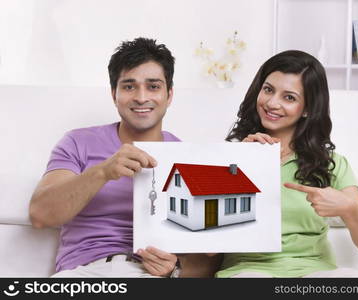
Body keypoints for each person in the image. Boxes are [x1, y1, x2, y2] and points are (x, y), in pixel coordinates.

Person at [29, 37, 220, 278]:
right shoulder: (77, 142)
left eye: (153, 86)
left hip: (149, 275)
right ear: (114, 94)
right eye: (129, 86)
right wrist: (103, 172)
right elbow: (41, 215)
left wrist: (175, 269)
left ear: (169, 95)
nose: (141, 97)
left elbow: (208, 261)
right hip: (83, 273)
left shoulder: (188, 157)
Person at [216, 50, 358, 278]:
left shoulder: (333, 164)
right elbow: (207, 250)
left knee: (349, 278)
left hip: (314, 271)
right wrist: (240, 164)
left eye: (289, 97)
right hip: (248, 270)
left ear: (308, 109)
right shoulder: (227, 156)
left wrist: (348, 208)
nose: (272, 103)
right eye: (268, 90)